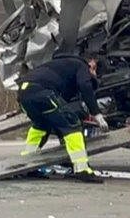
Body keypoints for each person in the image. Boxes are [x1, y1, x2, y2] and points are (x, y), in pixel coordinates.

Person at [16, 52, 109, 184]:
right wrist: (97, 114)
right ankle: (82, 169)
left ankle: (27, 165)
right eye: (94, 70)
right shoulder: (81, 65)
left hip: (23, 93)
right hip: (42, 92)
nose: (93, 74)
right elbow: (85, 85)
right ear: (91, 63)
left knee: (42, 125)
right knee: (72, 124)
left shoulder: (61, 66)